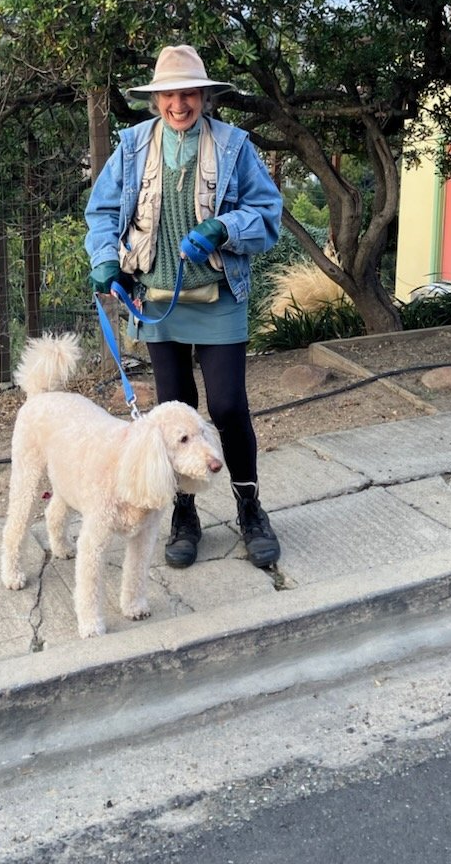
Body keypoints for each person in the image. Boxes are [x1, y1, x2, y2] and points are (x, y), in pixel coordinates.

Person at [84, 44, 283, 569]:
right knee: (172, 414)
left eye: (189, 93)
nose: (179, 103)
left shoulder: (235, 145)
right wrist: (106, 261)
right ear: (156, 100)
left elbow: (267, 215)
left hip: (217, 296)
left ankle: (249, 507)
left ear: (205, 97)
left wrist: (224, 228)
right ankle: (185, 514)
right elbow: (101, 214)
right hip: (156, 302)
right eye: (170, 94)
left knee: (228, 407)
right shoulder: (130, 147)